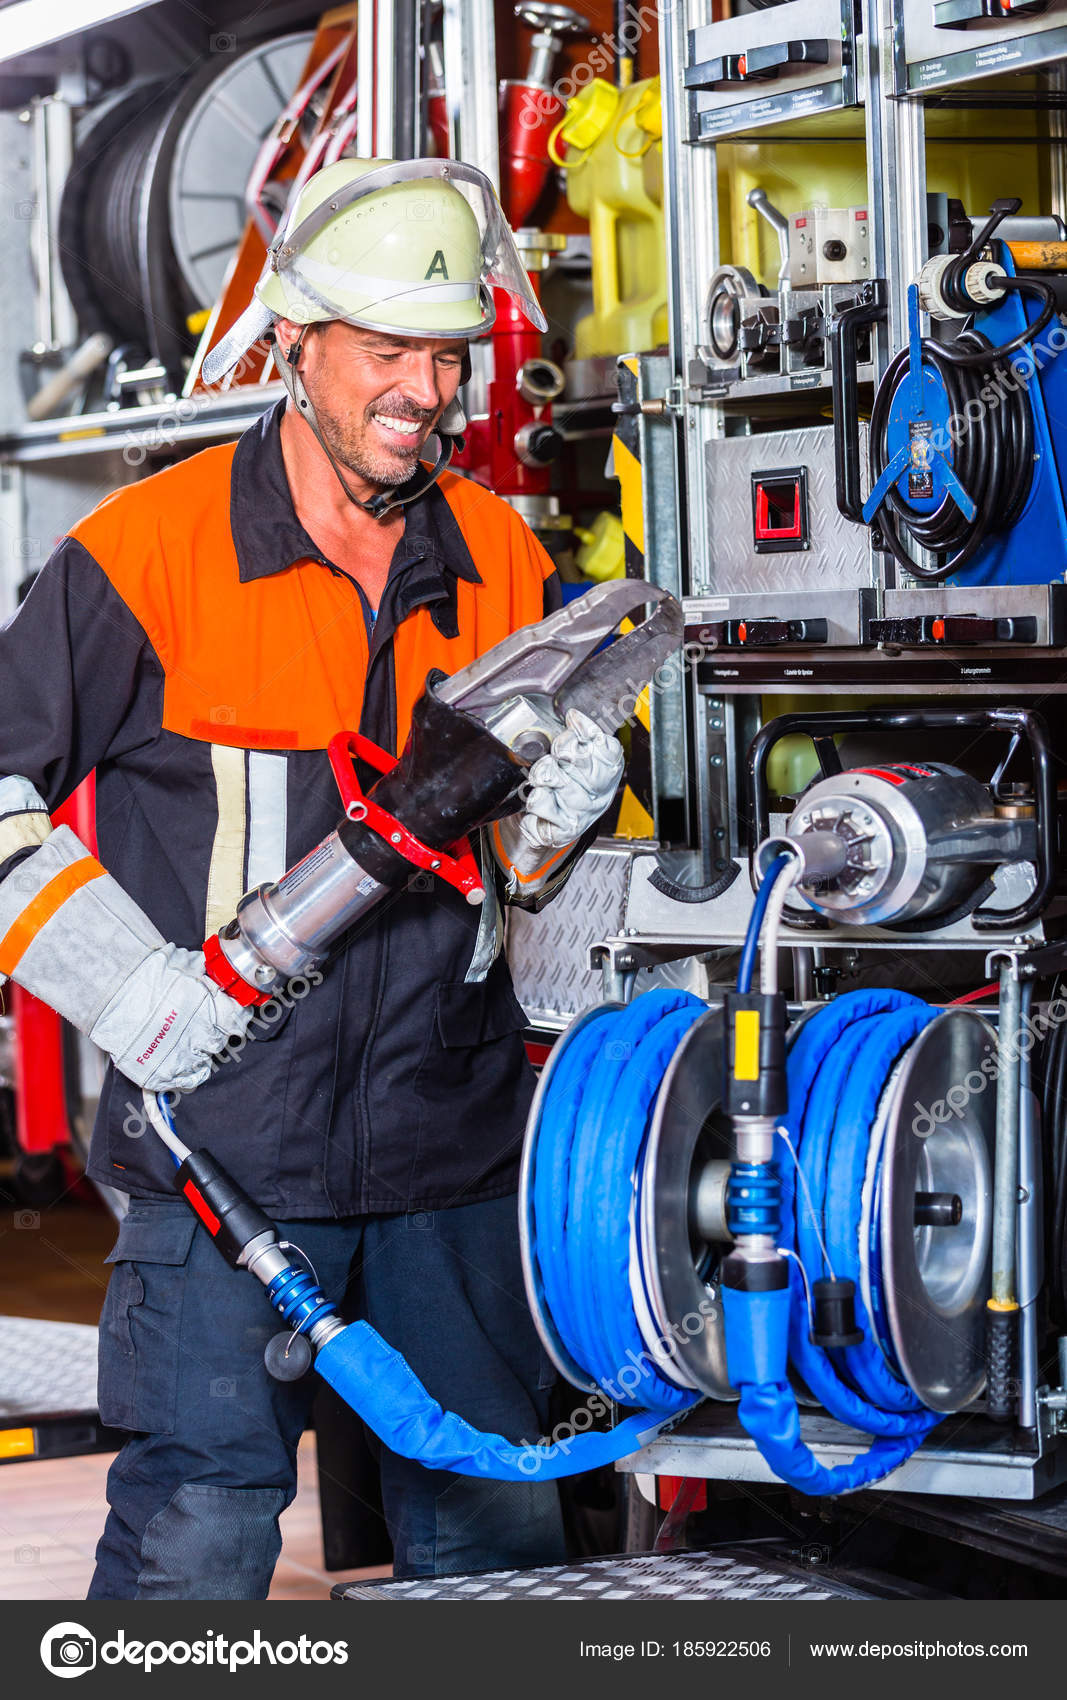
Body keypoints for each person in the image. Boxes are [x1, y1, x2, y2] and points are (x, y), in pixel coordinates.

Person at [0, 158, 624, 1598]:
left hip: (451, 1155)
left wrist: (562, 822)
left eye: (447, 355)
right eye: (388, 350)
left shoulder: (498, 551)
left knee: (496, 1550)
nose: (426, 391)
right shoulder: (147, 552)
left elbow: (520, 868)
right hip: (223, 1151)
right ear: (294, 343)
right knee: (199, 1539)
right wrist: (126, 989)